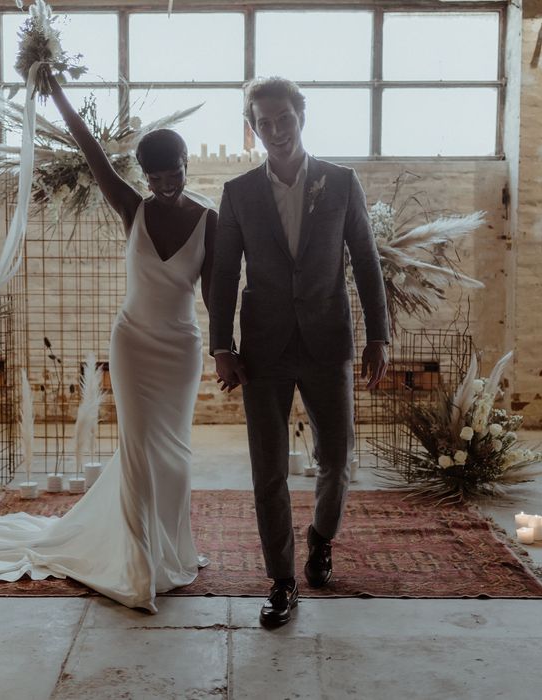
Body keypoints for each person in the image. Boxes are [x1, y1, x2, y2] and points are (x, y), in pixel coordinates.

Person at [0, 73, 217, 613]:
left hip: (181, 348)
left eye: (173, 172)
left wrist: (229, 346)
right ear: (144, 175)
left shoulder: (212, 221)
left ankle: (171, 548)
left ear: (187, 162)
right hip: (133, 342)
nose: (165, 184)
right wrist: (54, 87)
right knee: (138, 447)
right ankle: (137, 564)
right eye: (155, 176)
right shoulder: (132, 207)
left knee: (175, 453)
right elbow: (91, 151)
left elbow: (220, 292)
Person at [209, 77, 389, 627]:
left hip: (327, 339)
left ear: (300, 116)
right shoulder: (238, 193)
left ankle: (321, 537)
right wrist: (221, 345)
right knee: (268, 470)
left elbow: (364, 256)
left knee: (336, 458)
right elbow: (223, 273)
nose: (276, 130)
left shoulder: (340, 182)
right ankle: (282, 580)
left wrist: (378, 334)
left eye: (283, 118)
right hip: (262, 347)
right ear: (253, 127)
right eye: (264, 122)